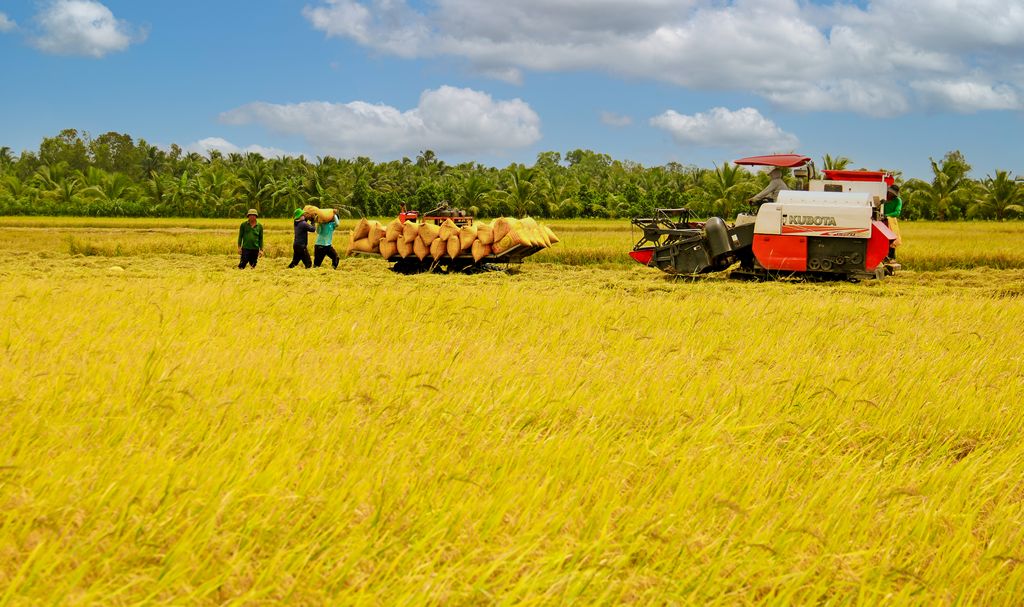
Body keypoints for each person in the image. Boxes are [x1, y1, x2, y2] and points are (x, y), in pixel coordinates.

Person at [884, 184, 903, 259]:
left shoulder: (898, 200)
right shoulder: (883, 197)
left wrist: (886, 215)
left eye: (893, 193)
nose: (891, 194)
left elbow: (897, 213)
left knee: (891, 243)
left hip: (891, 223)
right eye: (890, 192)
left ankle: (891, 262)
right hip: (881, 222)